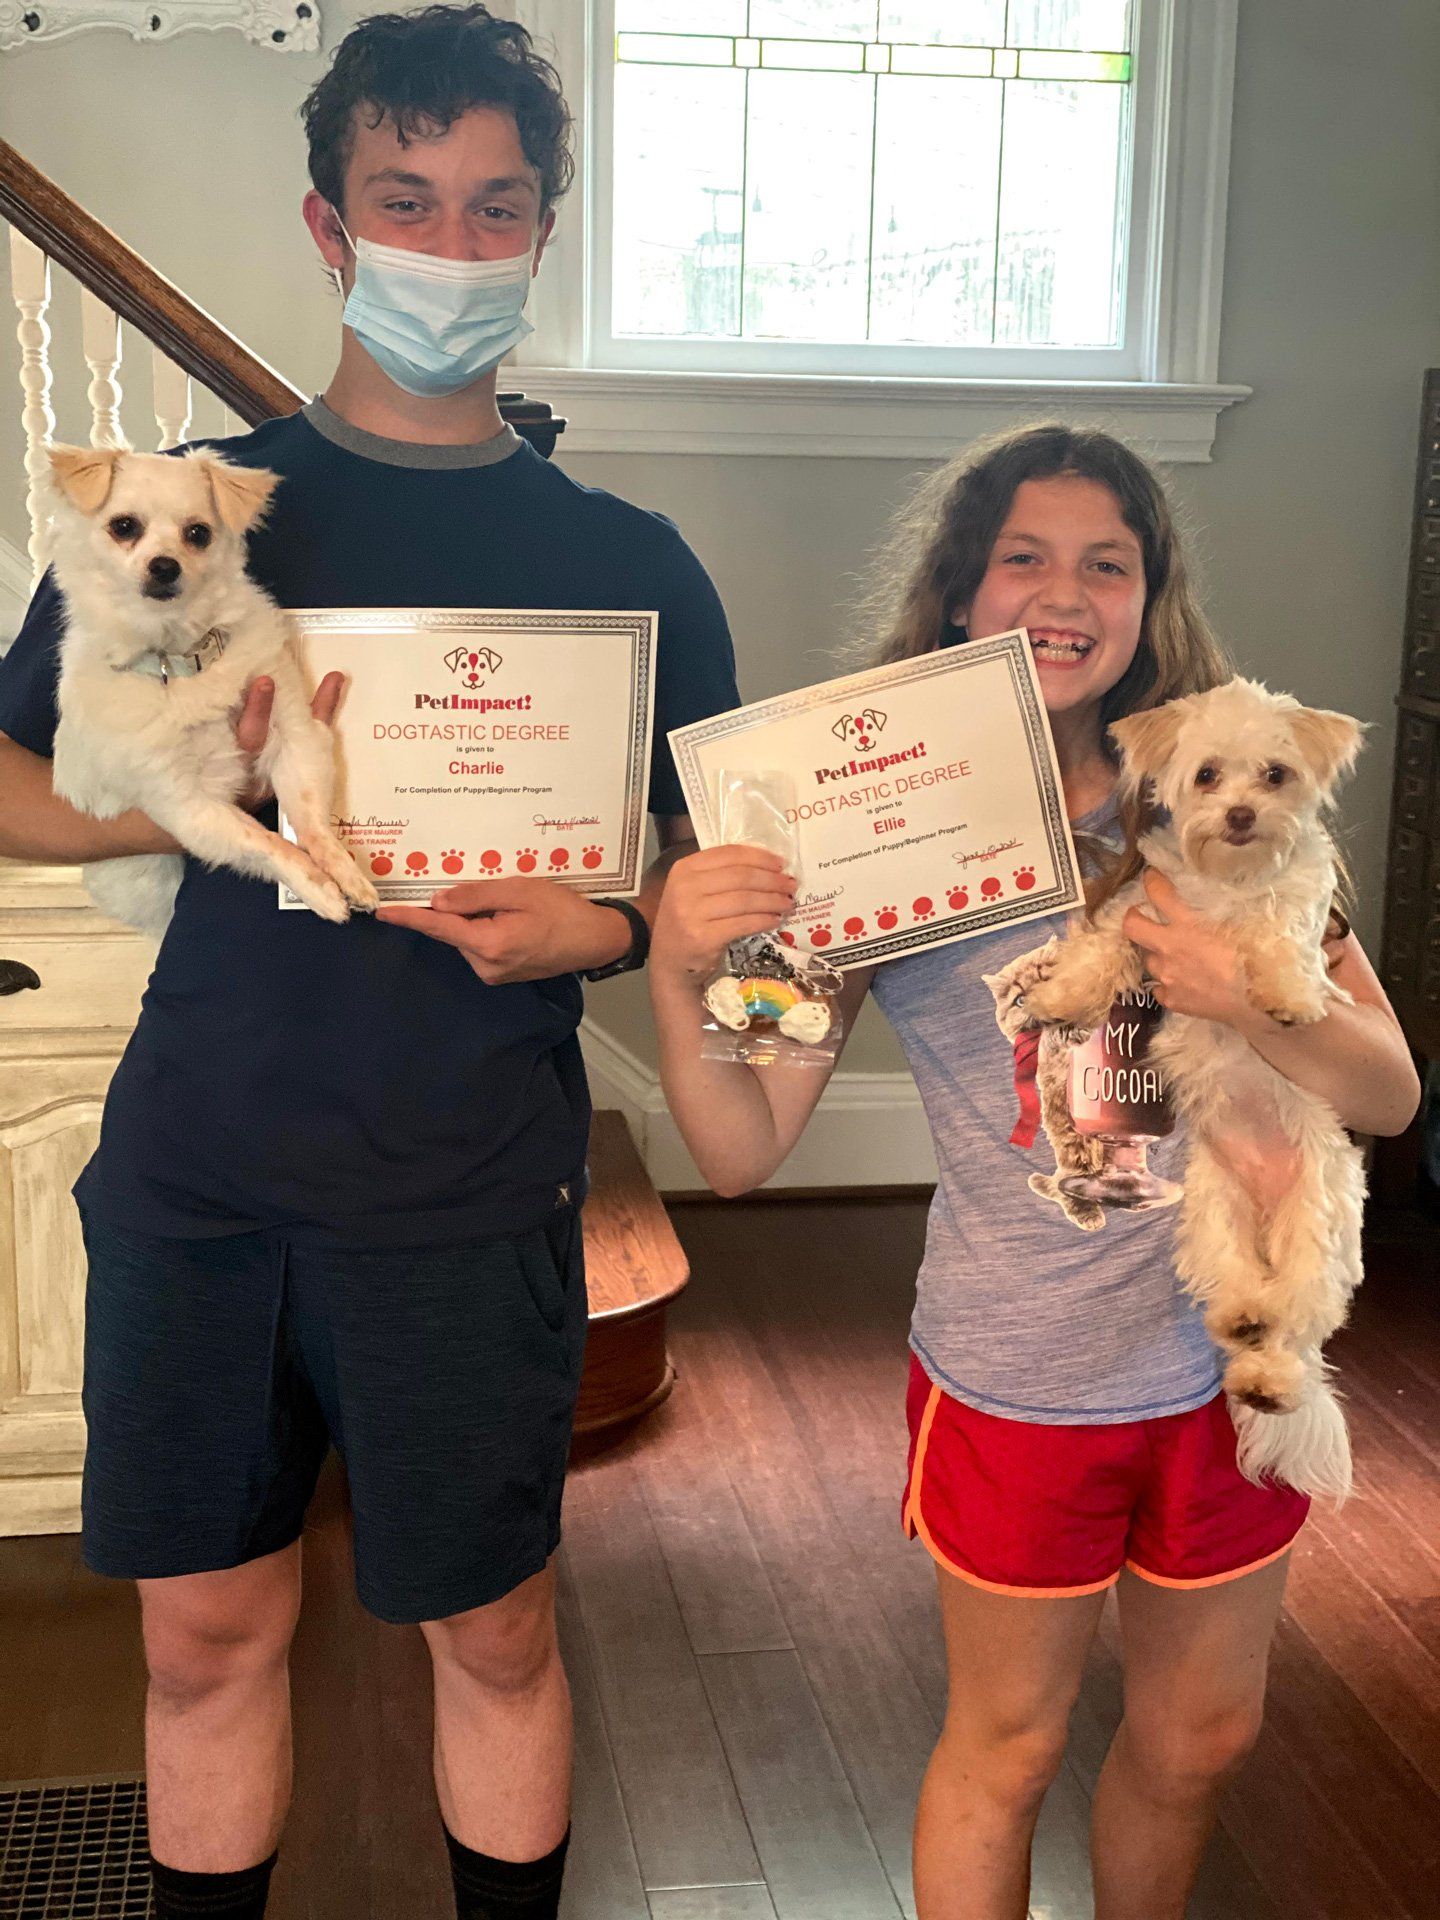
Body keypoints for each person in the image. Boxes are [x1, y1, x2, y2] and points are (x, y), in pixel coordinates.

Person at [0, 9, 739, 1918]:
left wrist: (619, 925)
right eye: (406, 202)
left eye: (495, 209)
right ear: (331, 229)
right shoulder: (184, 510)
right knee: (200, 1646)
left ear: (543, 231)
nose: (451, 244)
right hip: (200, 1182)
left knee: (493, 1644)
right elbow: (7, 776)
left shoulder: (630, 560)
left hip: (465, 1197)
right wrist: (185, 793)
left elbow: (724, 867)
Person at [647, 424, 1421, 1920]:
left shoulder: (1218, 797)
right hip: (1025, 1378)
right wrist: (685, 975)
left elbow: (1386, 1091)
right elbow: (740, 1152)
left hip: (1227, 1362)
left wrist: (1251, 996)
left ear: (1146, 601)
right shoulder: (862, 831)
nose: (1064, 591)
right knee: (1007, 1748)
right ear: (957, 594)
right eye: (1023, 556)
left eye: (1106, 563)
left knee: (1205, 1737)